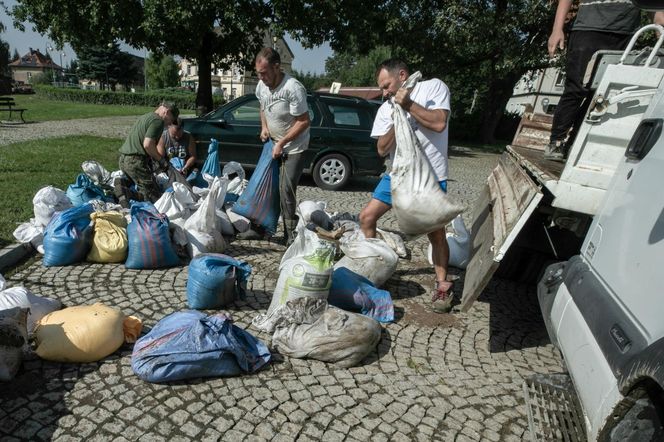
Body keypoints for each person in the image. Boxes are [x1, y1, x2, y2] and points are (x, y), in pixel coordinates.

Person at [359, 59, 454, 313]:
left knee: (435, 233)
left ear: (402, 75)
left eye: (387, 85)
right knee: (367, 218)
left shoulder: (433, 88)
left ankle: (443, 285)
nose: (384, 92)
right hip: (398, 175)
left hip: (430, 176)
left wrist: (409, 105)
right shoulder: (385, 108)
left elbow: (438, 123)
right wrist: (397, 115)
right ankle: (374, 272)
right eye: (381, 88)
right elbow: (381, 149)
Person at [545, 0, 664, 161]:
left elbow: (653, 9)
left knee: (601, 93)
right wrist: (557, 29)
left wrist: (660, 27)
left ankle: (574, 143)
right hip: (589, 29)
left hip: (625, 34)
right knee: (577, 89)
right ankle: (556, 142)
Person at [240, 47, 310, 244]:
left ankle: (289, 234)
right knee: (264, 185)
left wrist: (282, 142)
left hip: (294, 147)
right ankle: (259, 228)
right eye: (258, 73)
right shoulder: (262, 86)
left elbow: (304, 121)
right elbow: (263, 106)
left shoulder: (292, 88)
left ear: (277, 67)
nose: (261, 77)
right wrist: (264, 127)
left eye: (264, 73)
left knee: (285, 190)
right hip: (273, 144)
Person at [115, 102, 178, 207]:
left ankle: (121, 185)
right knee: (153, 197)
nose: (169, 124)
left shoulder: (146, 116)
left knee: (142, 184)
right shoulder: (158, 121)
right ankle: (126, 193)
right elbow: (148, 145)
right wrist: (161, 160)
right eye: (170, 121)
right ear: (166, 112)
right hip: (135, 161)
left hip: (124, 159)